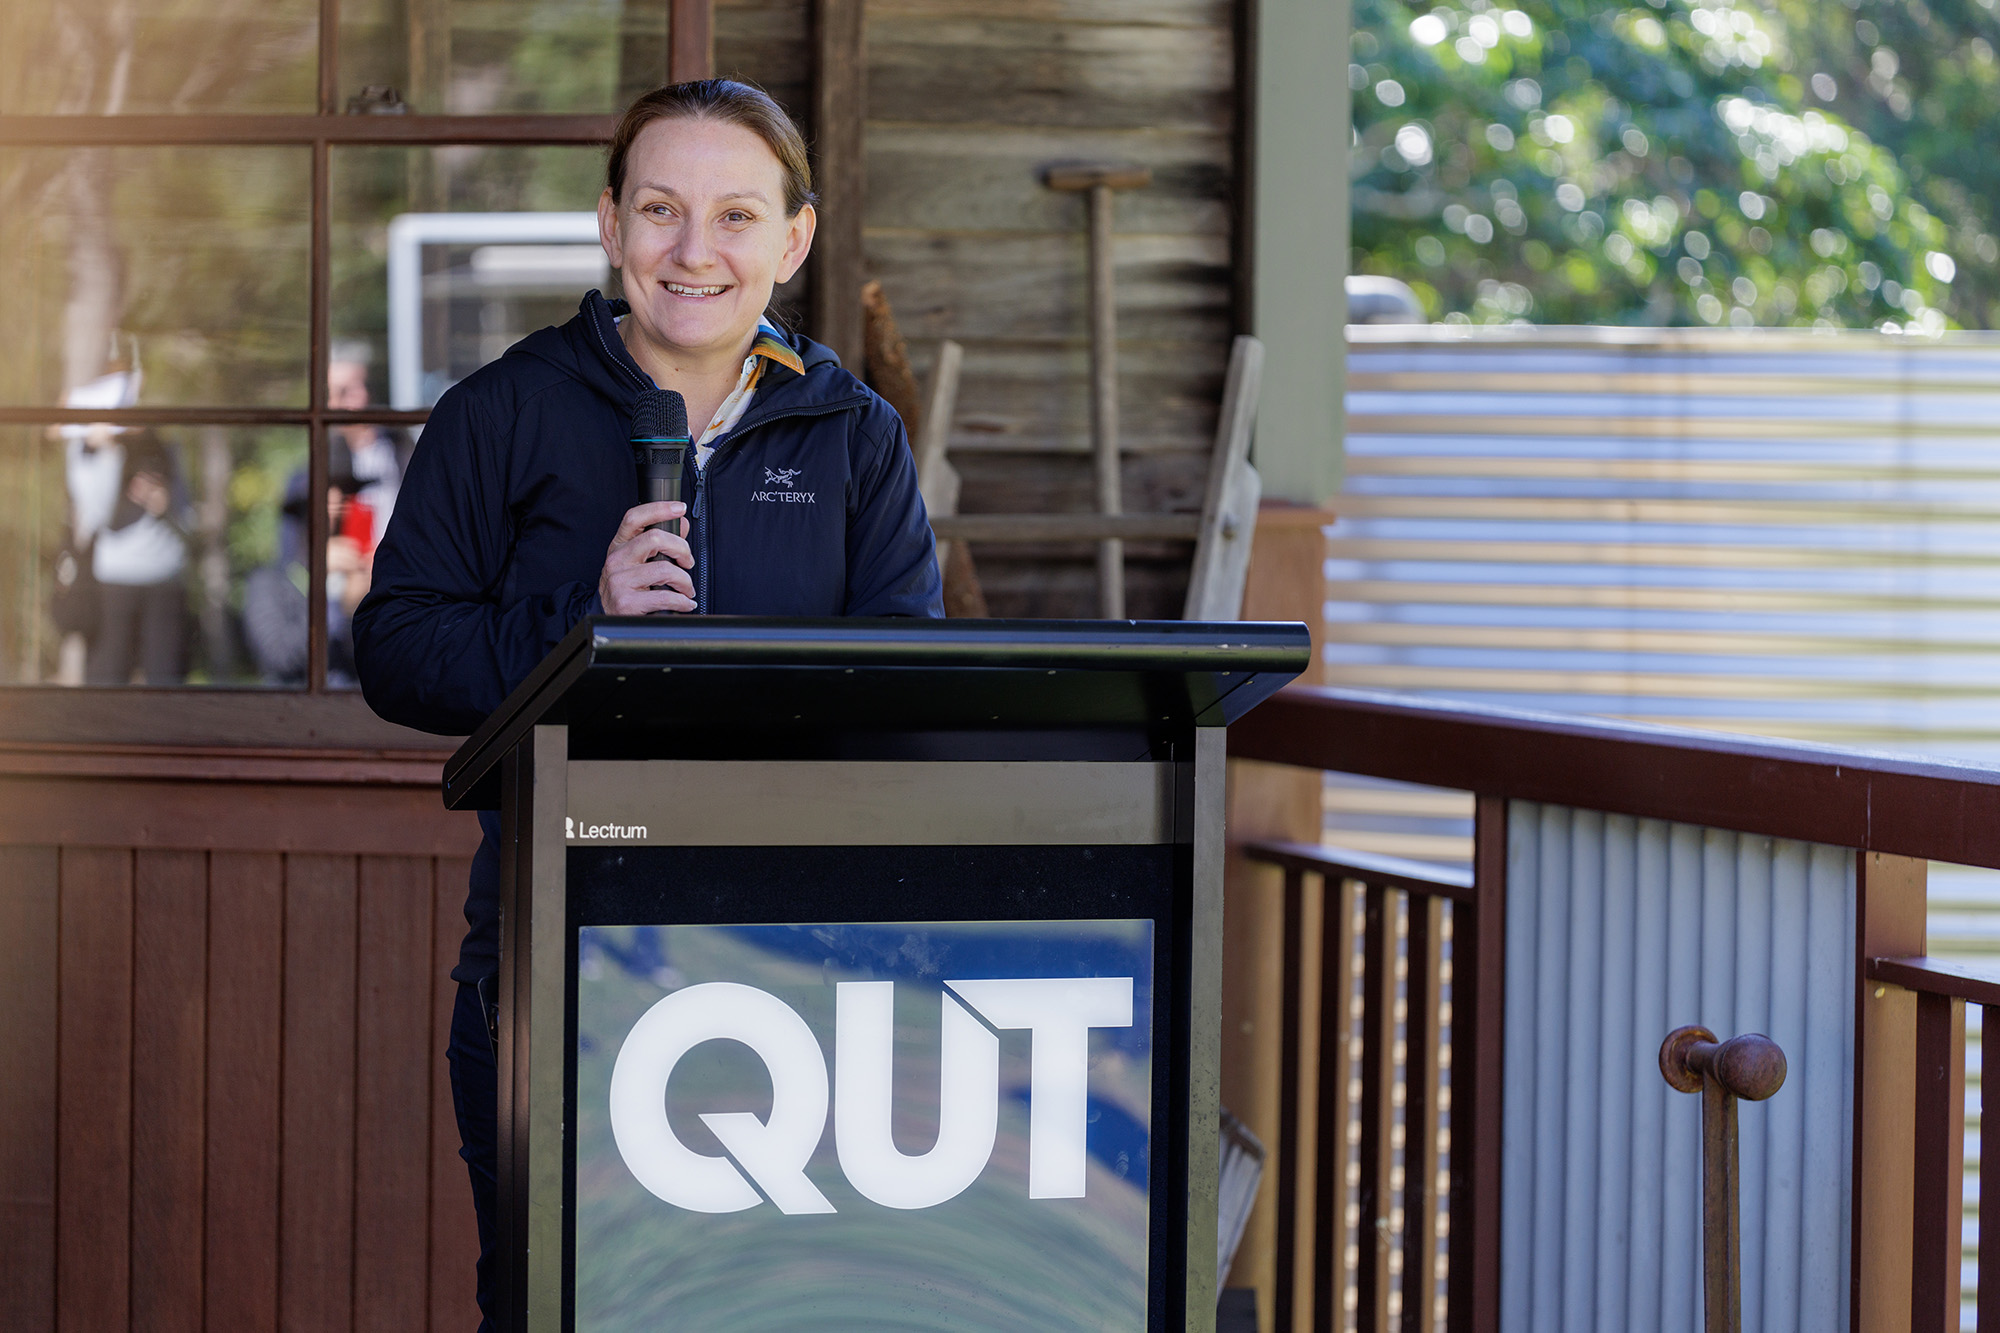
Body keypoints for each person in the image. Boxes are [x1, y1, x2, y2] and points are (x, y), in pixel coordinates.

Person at [351, 79, 941, 1329]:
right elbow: (398, 648)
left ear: (792, 241)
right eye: (661, 209)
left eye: (735, 216)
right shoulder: (503, 412)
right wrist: (582, 616)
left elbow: (904, 681)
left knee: (767, 1306)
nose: (693, 251)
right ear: (610, 224)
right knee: (561, 1301)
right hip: (558, 959)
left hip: (790, 970)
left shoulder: (856, 437)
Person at [85, 428, 189, 685]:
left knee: (165, 676)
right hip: (115, 579)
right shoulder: (96, 448)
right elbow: (94, 513)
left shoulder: (167, 448)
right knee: (110, 674)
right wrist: (107, 452)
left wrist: (165, 501)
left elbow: (188, 516)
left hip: (164, 578)